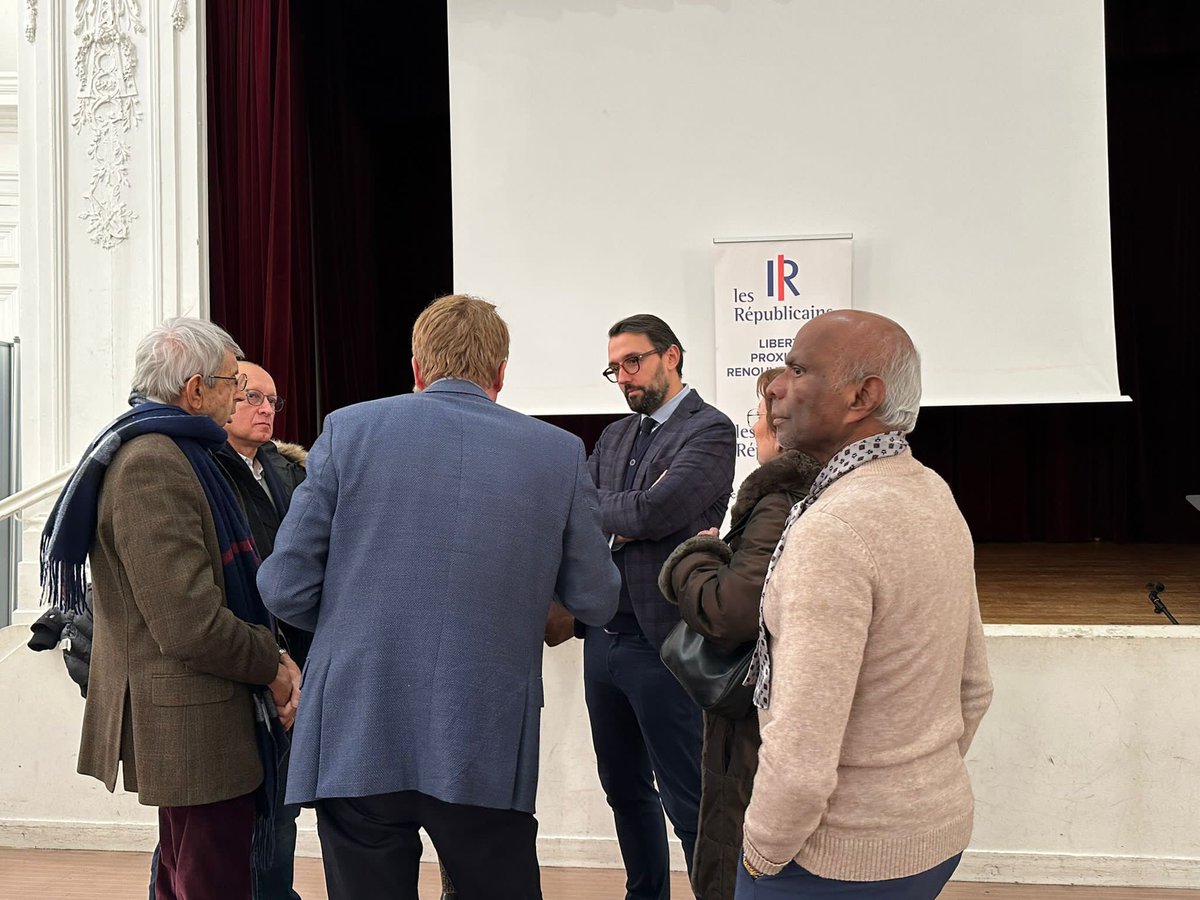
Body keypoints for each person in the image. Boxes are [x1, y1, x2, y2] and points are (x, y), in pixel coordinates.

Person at [257, 294, 620, 900]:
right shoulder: (557, 453)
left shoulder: (349, 431)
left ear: (418, 369)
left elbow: (284, 585)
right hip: (485, 729)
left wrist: (360, 618)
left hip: (358, 718)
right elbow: (598, 598)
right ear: (500, 375)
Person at [40, 317, 301, 900]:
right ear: (193, 389)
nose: (241, 396)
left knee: (189, 876)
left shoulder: (182, 453)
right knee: (207, 881)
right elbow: (189, 623)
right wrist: (274, 661)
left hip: (204, 715)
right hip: (193, 721)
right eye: (234, 383)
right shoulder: (154, 462)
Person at [737, 311, 993, 898]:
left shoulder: (833, 527)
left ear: (863, 396)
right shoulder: (930, 490)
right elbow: (974, 687)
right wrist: (914, 787)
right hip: (933, 833)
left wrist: (758, 855)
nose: (774, 384)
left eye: (798, 369)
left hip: (836, 861)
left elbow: (800, 761)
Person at [581, 313, 736, 899]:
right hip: (604, 633)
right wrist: (625, 509)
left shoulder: (710, 430)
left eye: (634, 362)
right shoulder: (617, 435)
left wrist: (618, 509)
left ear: (672, 356)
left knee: (688, 798)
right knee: (623, 788)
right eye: (614, 368)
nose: (623, 377)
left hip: (666, 639)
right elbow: (585, 508)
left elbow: (656, 513)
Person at [657, 368, 820, 900]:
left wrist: (696, 556)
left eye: (758, 416)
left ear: (777, 427)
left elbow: (730, 616)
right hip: (769, 711)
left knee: (736, 863)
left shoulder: (777, 500)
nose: (752, 426)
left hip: (753, 720)